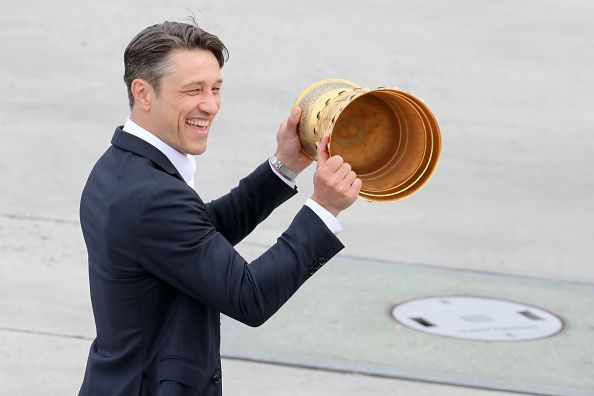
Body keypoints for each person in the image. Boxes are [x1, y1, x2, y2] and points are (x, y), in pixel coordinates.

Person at [78, 20, 361, 396]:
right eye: (193, 90)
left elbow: (196, 234)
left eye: (215, 89)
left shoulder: (119, 167)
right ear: (143, 93)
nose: (209, 105)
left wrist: (285, 166)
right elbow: (250, 296)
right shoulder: (152, 197)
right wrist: (324, 209)